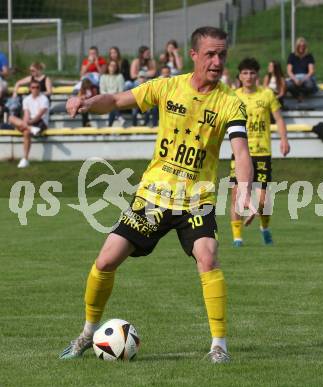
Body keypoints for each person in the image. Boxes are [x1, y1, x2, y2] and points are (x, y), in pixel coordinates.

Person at [59, 26, 255, 364]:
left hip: (196, 199)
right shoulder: (167, 86)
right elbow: (117, 100)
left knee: (208, 257)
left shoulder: (230, 103)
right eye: (210, 54)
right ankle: (86, 334)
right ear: (193, 54)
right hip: (152, 196)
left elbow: (241, 152)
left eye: (222, 54)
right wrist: (87, 102)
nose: (217, 61)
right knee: (105, 260)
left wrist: (246, 189)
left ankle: (219, 345)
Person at [230, 57, 290, 247]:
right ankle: (237, 238)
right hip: (240, 152)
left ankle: (264, 228)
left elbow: (279, 119)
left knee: (263, 200)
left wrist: (284, 139)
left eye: (252, 73)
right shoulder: (233, 96)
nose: (249, 76)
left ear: (258, 75)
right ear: (239, 76)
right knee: (236, 195)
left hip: (262, 151)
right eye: (245, 73)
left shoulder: (267, 95)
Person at [8, 80, 49, 168]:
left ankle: (25, 159)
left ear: (40, 88)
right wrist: (27, 123)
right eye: (33, 87)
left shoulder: (44, 99)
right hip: (31, 124)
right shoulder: (27, 99)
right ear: (30, 89)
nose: (35, 89)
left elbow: (40, 115)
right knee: (11, 118)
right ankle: (31, 129)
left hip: (41, 122)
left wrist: (27, 123)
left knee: (25, 131)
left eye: (37, 87)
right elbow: (26, 115)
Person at [286, 37, 318, 101]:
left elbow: (311, 71)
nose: (302, 47)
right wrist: (295, 79)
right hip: (295, 77)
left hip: (306, 77)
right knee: (288, 85)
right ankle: (298, 95)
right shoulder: (292, 56)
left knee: (310, 85)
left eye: (303, 46)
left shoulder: (309, 56)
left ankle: (302, 94)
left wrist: (303, 80)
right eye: (300, 46)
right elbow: (289, 71)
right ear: (297, 46)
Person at [100, 60, 126, 127]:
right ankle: (119, 117)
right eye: (111, 65)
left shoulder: (120, 76)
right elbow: (102, 91)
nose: (113, 67)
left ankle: (109, 126)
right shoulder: (103, 77)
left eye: (115, 66)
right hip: (106, 99)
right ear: (108, 67)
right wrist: (110, 96)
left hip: (117, 99)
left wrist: (114, 96)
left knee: (112, 105)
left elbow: (121, 91)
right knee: (112, 104)